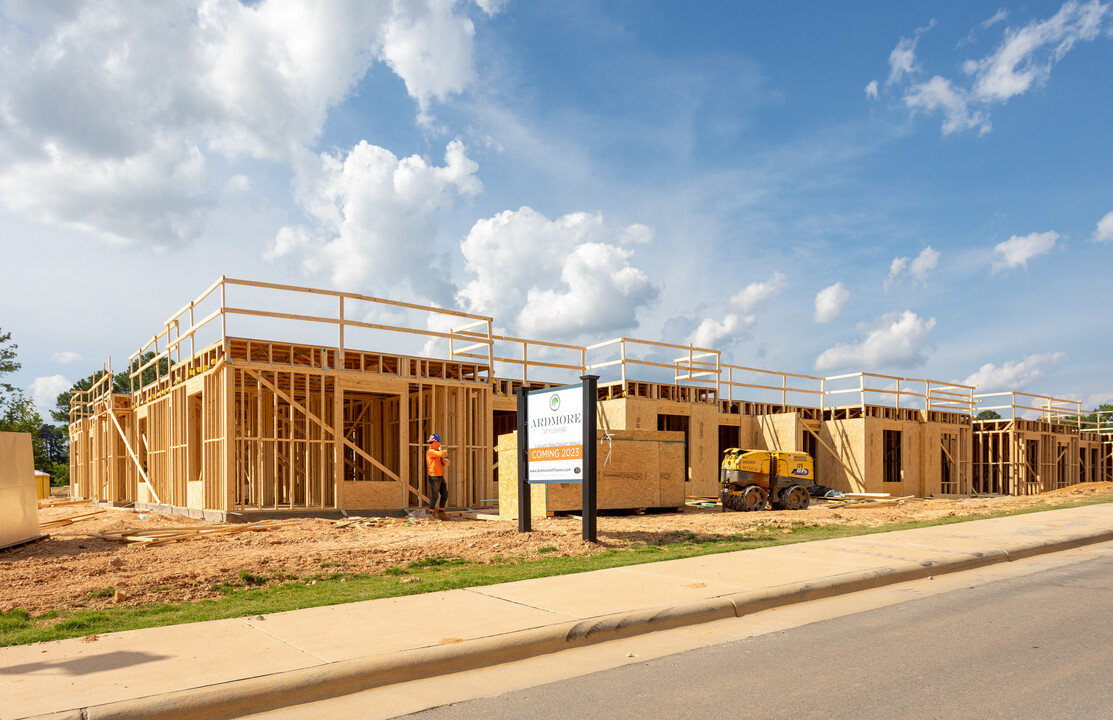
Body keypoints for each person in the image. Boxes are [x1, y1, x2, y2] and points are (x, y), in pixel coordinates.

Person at [426, 433, 449, 519]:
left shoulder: (436, 452)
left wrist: (444, 460)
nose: (439, 443)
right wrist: (445, 452)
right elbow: (439, 454)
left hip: (439, 475)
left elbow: (440, 460)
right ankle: (431, 513)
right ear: (434, 442)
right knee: (434, 495)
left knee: (445, 494)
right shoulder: (430, 452)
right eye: (438, 442)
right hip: (433, 476)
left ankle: (441, 512)